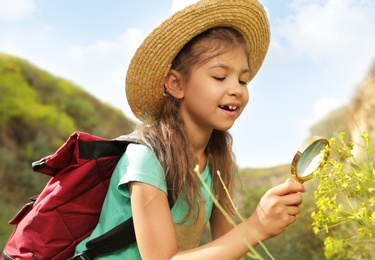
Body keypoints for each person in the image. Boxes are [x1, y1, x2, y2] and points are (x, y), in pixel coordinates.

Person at [75, 0, 306, 259]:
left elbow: (229, 248)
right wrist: (257, 226)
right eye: (220, 77)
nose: (236, 89)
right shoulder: (147, 158)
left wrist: (262, 223)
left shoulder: (220, 161)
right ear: (176, 84)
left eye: (242, 79)